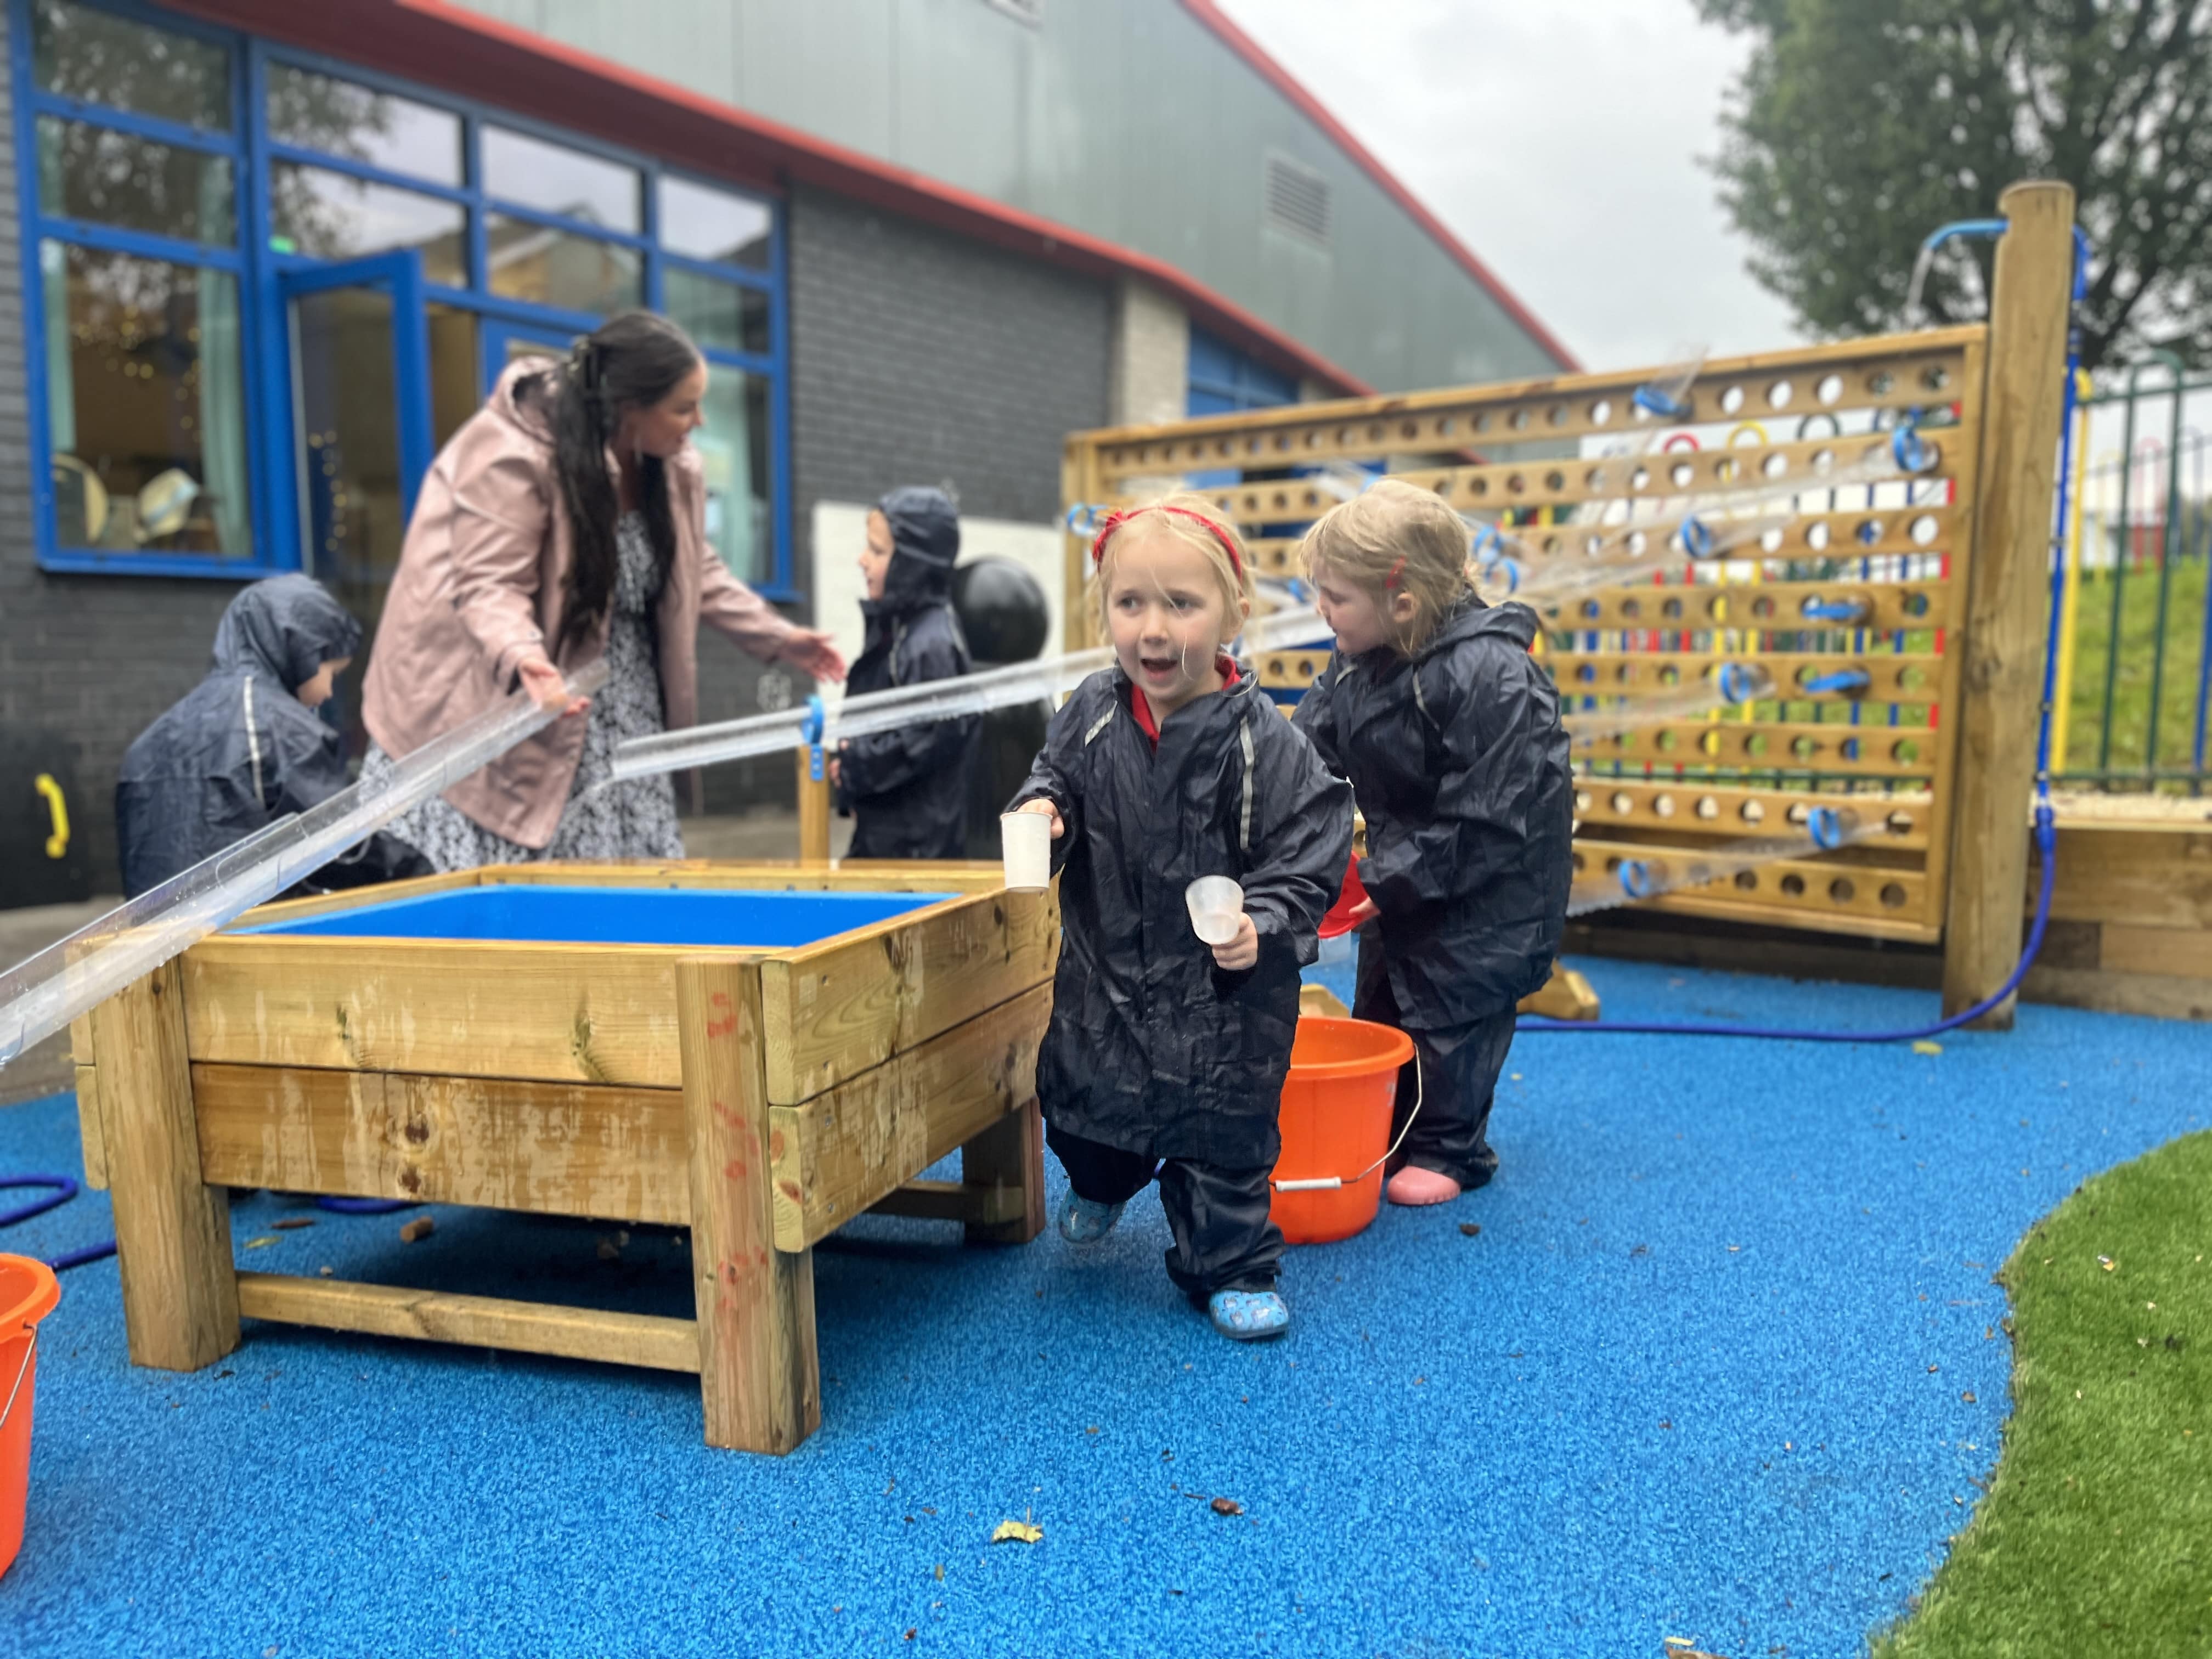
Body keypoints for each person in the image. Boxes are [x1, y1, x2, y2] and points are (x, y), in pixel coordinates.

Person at [1009, 493, 1351, 1341]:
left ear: (1233, 613)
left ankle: (1230, 1264)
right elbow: (1053, 778)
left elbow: (1314, 841)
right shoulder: (1090, 712)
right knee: (1088, 1114)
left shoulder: (1263, 740)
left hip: (1220, 995)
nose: (1153, 631)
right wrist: (1045, 813)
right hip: (1108, 976)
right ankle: (1099, 1184)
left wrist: (1263, 923)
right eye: (1131, 604)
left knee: (1222, 1138)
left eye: (1181, 604)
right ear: (1106, 613)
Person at [360, 311, 844, 870]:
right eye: (684, 407)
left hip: (617, 703)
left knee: (635, 887)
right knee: (525, 898)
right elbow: (489, 584)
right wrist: (525, 658)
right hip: (507, 693)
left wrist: (780, 638)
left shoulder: (670, 465)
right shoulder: (514, 452)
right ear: (629, 407)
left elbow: (694, 567)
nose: (700, 421)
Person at [1291, 479, 1573, 1206]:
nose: (1322, 612)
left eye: (1335, 597)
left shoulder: (1493, 676)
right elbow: (1310, 743)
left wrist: (1375, 880)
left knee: (1455, 1010)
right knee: (1386, 1003)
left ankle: (1453, 1146)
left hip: (1491, 886)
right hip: (1410, 870)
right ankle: (1395, 1124)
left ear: (1402, 602)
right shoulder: (1359, 659)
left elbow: (1488, 820)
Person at [115, 575, 431, 898]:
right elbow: (343, 843)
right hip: (255, 936)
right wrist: (417, 871)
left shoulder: (154, 738)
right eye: (331, 673)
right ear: (303, 649)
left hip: (159, 943)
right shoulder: (278, 725)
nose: (328, 692)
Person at [828, 487, 979, 859]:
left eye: (878, 552)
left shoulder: (930, 644)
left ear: (913, 563)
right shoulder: (902, 630)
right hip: (890, 836)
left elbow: (924, 738)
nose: (862, 560)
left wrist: (854, 764)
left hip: (914, 851)